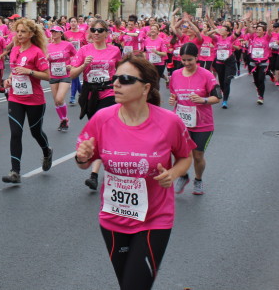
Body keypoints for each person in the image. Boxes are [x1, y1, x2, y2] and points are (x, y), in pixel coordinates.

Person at [75, 55, 195, 290]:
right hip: (113, 218)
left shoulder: (169, 122)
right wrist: (83, 157)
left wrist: (172, 174)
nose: (117, 84)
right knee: (127, 284)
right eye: (116, 78)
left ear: (146, 88)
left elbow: (185, 156)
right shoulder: (102, 118)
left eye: (126, 79)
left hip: (154, 219)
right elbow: (83, 163)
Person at [69, 19, 123, 191]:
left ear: (107, 33)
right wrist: (84, 65)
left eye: (101, 30)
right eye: (94, 30)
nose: (97, 33)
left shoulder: (114, 50)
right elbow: (72, 74)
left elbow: (121, 71)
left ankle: (94, 174)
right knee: (100, 134)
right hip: (90, 94)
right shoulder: (84, 50)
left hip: (109, 93)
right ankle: (109, 165)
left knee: (102, 130)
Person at [1, 18, 53, 184]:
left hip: (35, 100)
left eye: (23, 31)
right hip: (16, 98)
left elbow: (47, 75)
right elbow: (15, 71)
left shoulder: (37, 52)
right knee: (16, 133)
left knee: (35, 132)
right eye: (18, 31)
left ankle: (47, 151)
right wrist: (9, 79)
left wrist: (30, 71)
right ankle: (15, 172)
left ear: (31, 34)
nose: (20, 34)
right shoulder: (15, 50)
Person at [168, 42, 221, 196]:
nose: (186, 63)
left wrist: (203, 100)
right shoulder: (176, 75)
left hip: (202, 123)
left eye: (190, 60)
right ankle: (183, 176)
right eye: (183, 60)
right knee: (179, 153)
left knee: (197, 156)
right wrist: (173, 100)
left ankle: (198, 180)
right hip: (181, 122)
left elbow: (217, 97)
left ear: (197, 57)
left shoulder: (206, 75)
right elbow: (174, 94)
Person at [46, 26, 78, 131]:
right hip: (53, 75)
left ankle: (64, 120)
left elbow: (77, 56)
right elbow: (44, 61)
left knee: (60, 99)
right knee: (56, 101)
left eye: (56, 32)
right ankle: (63, 120)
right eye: (52, 32)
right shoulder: (48, 46)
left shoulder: (67, 45)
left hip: (65, 75)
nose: (53, 34)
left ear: (61, 34)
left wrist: (72, 65)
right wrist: (45, 59)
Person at [246, 21, 272, 105]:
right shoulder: (254, 37)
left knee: (261, 79)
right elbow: (249, 30)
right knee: (256, 80)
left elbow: (270, 30)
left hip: (263, 61)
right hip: (253, 61)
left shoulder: (267, 37)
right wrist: (247, 20)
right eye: (257, 30)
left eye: (259, 30)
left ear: (264, 31)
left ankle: (261, 96)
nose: (257, 31)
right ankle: (258, 88)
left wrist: (268, 19)